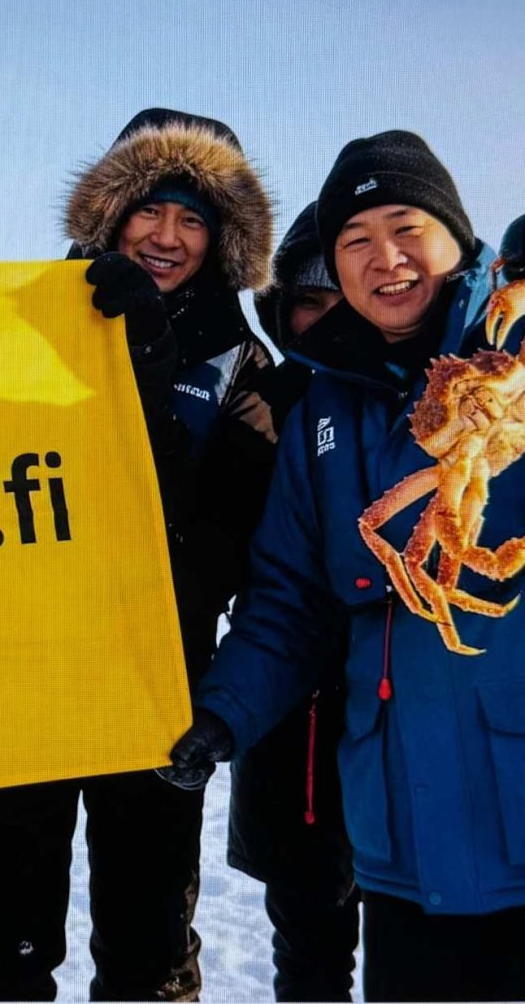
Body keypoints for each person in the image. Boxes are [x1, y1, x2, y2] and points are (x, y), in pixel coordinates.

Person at [162, 131, 525, 1002]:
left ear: (458, 236)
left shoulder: (511, 353)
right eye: (355, 242)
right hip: (399, 840)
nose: (384, 259)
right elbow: (289, 595)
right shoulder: (325, 406)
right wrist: (223, 714)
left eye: (406, 229)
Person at [0, 108, 276, 1001]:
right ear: (111, 214)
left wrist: (156, 380)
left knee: (148, 948)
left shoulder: (243, 362)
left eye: (195, 219)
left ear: (224, 240)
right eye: (149, 212)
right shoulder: (19, 319)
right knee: (2, 943)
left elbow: (234, 536)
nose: (166, 238)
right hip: (23, 676)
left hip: (154, 683)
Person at [227, 202, 359, 1002]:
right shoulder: (256, 402)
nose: (330, 317)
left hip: (407, 708)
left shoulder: (434, 400)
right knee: (310, 949)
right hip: (292, 728)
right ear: (284, 310)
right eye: (310, 300)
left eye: (341, 295)